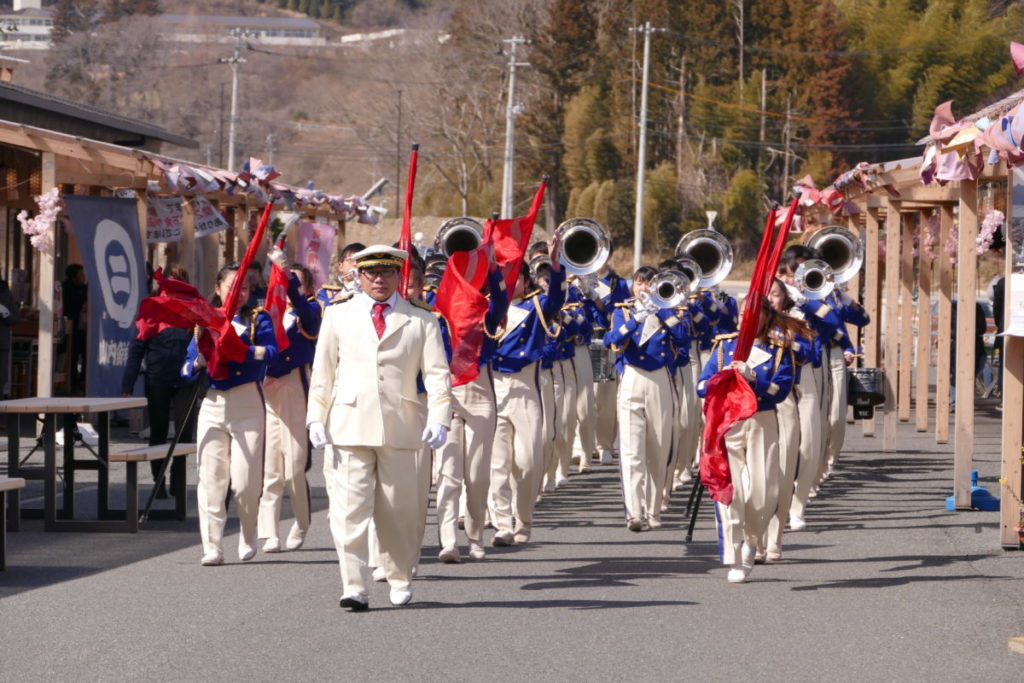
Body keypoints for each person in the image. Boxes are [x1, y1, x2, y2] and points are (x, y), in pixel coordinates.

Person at [307, 245, 451, 612]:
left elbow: (437, 376)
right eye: (371, 273)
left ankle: (400, 576)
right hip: (349, 423)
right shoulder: (339, 315)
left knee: (398, 511)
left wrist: (439, 417)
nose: (379, 280)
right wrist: (315, 418)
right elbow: (323, 374)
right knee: (349, 511)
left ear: (397, 276)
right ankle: (354, 586)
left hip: (400, 426)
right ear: (359, 275)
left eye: (387, 273)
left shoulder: (421, 319)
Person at [697, 298, 794, 583]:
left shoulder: (778, 350)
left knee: (764, 490)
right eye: (742, 312)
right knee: (731, 490)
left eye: (752, 313)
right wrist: (723, 379)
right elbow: (701, 385)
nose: (745, 318)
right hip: (729, 422)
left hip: (762, 420)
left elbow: (780, 390)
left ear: (765, 317)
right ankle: (734, 553)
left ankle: (753, 540)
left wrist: (754, 381)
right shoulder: (725, 346)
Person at [194, 262, 278, 567]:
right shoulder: (205, 319)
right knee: (211, 478)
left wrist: (242, 348)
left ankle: (248, 532)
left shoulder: (258, 318)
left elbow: (272, 352)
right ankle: (212, 545)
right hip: (213, 402)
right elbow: (188, 362)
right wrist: (199, 361)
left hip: (247, 401)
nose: (239, 293)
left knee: (244, 481)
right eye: (232, 287)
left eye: (244, 287)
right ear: (218, 289)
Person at [488, 240, 565, 547]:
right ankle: (502, 524)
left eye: (516, 278)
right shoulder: (490, 310)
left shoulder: (535, 306)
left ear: (526, 280)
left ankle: (525, 517)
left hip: (525, 389)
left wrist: (557, 265)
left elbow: (556, 298)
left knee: (530, 460)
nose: (511, 284)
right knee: (498, 463)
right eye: (504, 279)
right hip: (494, 387)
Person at [603, 266, 688, 531]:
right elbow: (611, 340)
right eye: (639, 283)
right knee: (631, 450)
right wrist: (635, 320)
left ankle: (653, 510)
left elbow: (684, 339)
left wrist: (662, 309)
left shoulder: (671, 312)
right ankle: (634, 512)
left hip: (660, 378)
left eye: (649, 284)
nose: (644, 288)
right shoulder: (624, 311)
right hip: (632, 377)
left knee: (658, 448)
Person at [258, 256, 322, 554]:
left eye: (294, 280)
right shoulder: (267, 314)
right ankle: (269, 532)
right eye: (282, 279)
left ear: (306, 286)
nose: (285, 284)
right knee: (271, 467)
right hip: (268, 387)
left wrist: (290, 283)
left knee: (294, 467)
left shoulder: (311, 310)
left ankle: (302, 522)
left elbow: (309, 320)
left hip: (296, 385)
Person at [121, 264, 202, 499]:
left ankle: (178, 481)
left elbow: (206, 341)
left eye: (180, 280)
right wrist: (128, 381)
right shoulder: (153, 306)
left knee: (184, 432)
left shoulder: (195, 307)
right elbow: (138, 346)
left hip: (187, 377)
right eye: (172, 280)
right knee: (158, 431)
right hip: (158, 377)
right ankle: (158, 481)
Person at [316, 242, 366, 309]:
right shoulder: (327, 294)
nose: (355, 264)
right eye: (351, 260)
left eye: (360, 261)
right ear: (341, 266)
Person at [63, 264, 88, 394]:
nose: (84, 277)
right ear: (73, 277)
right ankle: (72, 384)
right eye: (81, 275)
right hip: (71, 329)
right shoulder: (66, 289)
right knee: (72, 356)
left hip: (84, 329)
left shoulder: (86, 289)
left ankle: (83, 382)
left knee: (86, 356)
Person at [0, 277, 20, 398]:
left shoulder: (5, 293)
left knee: (0, 380)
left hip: (1, 344)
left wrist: (5, 312)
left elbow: (14, 318)